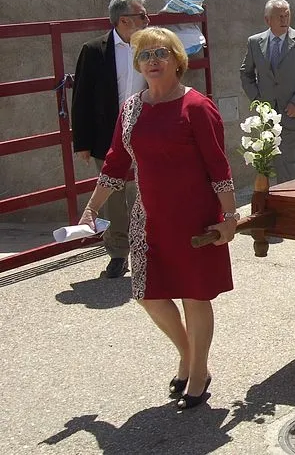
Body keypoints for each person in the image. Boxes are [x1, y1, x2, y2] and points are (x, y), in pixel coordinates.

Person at [79, 27, 236, 409]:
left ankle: (197, 373)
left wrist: (229, 217)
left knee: (195, 296)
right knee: (148, 296)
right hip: (148, 220)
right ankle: (189, 355)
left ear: (177, 61)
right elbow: (116, 163)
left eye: (160, 53)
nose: (152, 60)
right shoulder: (131, 108)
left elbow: (219, 167)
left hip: (195, 220)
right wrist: (91, 210)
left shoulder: (196, 107)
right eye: (144, 54)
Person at [71, 0, 150, 279]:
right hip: (109, 134)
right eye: (142, 15)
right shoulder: (94, 50)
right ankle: (118, 253)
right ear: (124, 20)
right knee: (113, 195)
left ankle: (151, 247)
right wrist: (82, 142)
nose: (147, 19)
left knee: (151, 189)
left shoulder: (151, 45)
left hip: (147, 130)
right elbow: (81, 98)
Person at [240, 0, 295, 183]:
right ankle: (271, 204)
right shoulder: (255, 42)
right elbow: (246, 73)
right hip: (266, 117)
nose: (284, 19)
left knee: (289, 162)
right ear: (268, 20)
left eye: (287, 15)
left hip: (293, 114)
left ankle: (289, 204)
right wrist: (258, 101)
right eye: (279, 16)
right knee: (268, 163)